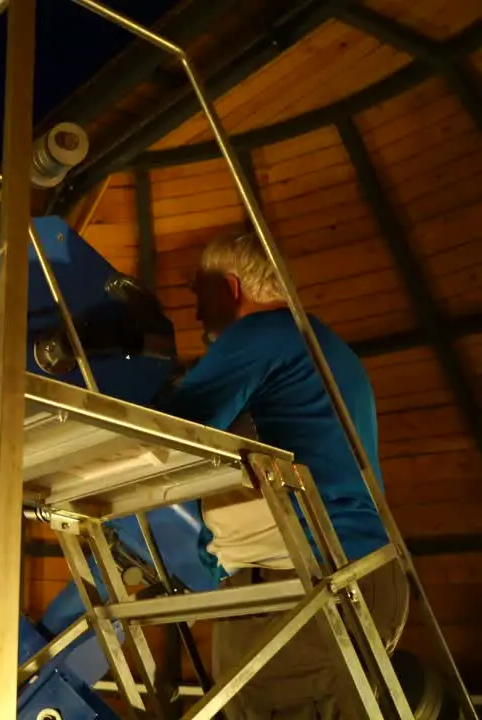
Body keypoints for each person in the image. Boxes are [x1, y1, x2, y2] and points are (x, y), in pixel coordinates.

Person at [153, 233, 408, 719]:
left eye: (198, 296)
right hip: (294, 581)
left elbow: (174, 430)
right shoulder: (311, 344)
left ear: (230, 289)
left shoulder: (265, 333)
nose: (196, 315)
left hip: (311, 580)